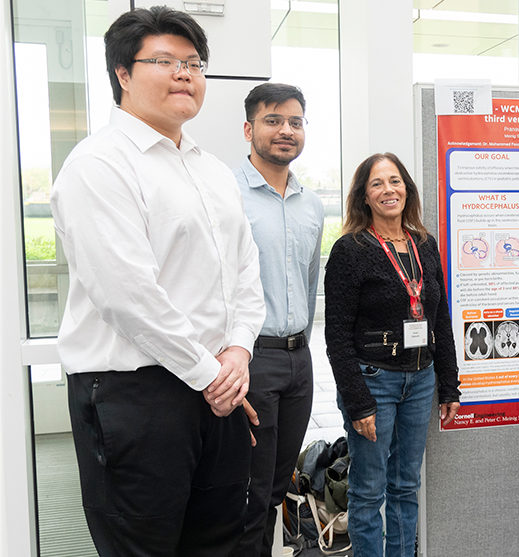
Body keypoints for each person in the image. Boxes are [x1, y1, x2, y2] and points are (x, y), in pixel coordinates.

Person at [49, 6, 266, 556]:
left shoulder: (211, 169)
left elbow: (244, 269)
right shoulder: (99, 164)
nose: (184, 74)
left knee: (219, 540)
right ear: (122, 74)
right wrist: (209, 373)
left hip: (218, 385)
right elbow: (127, 295)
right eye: (164, 61)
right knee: (142, 546)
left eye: (194, 62)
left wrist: (238, 352)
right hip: (136, 395)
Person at [325, 153, 461, 557]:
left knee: (405, 485)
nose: (389, 190)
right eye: (378, 183)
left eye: (396, 181)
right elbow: (336, 335)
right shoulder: (350, 250)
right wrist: (357, 401)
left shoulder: (424, 244)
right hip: (373, 381)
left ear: (407, 189)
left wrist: (449, 385)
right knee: (368, 490)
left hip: (420, 381)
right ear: (364, 196)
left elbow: (441, 317)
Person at [232, 83, 324, 556]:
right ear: (249, 129)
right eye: (273, 120)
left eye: (295, 121)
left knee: (274, 487)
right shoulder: (227, 194)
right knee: (245, 493)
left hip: (297, 361)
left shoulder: (311, 204)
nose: (285, 130)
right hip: (249, 360)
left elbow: (309, 281)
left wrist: (302, 344)